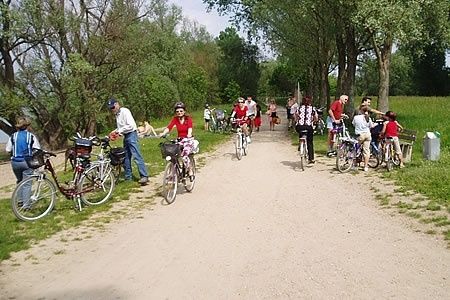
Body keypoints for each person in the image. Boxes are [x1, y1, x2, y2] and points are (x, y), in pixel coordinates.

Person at [107, 98, 149, 185]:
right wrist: (115, 131)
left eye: (113, 107)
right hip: (126, 136)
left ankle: (144, 176)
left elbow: (130, 125)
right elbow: (121, 127)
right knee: (126, 157)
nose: (112, 109)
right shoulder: (117, 115)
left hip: (131, 134)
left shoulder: (125, 111)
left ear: (117, 104)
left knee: (136, 155)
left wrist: (119, 131)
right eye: (111, 108)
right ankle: (128, 176)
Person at [5, 117, 41, 208]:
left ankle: (20, 201)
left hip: (15, 162)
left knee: (19, 181)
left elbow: (8, 150)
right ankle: (26, 205)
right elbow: (37, 148)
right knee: (27, 183)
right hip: (26, 162)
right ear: (26, 126)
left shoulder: (13, 136)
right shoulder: (31, 136)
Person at [159, 102, 197, 178]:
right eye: (177, 111)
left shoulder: (188, 119)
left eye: (181, 111)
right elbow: (169, 127)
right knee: (172, 153)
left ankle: (190, 170)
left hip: (188, 139)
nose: (179, 113)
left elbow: (190, 128)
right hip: (180, 139)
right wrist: (163, 133)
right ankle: (173, 170)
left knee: (184, 155)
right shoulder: (175, 119)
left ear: (184, 111)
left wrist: (189, 134)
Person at [294, 96, 318, 163]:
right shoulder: (312, 108)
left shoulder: (299, 108)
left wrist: (297, 121)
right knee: (310, 142)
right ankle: (311, 158)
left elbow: (295, 116)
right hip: (308, 127)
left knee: (300, 131)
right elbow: (316, 117)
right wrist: (314, 121)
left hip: (300, 126)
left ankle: (300, 142)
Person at [352, 106, 373, 171]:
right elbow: (371, 126)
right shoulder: (368, 118)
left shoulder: (356, 117)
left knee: (355, 148)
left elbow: (353, 124)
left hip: (360, 135)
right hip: (367, 135)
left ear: (361, 111)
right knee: (366, 151)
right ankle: (365, 166)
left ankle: (354, 163)